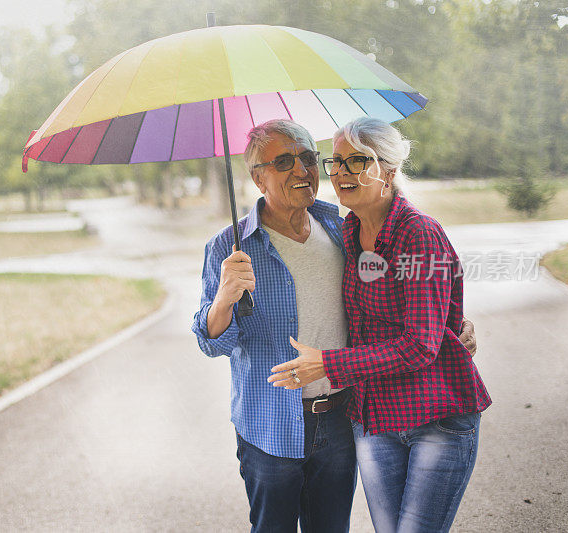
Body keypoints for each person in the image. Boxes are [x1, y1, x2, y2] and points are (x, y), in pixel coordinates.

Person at [192, 119, 477, 533]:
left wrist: (454, 326)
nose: (302, 170)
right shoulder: (229, 247)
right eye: (284, 161)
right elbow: (210, 343)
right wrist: (223, 299)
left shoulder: (340, 227)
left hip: (343, 418)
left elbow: (407, 301)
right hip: (269, 424)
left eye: (308, 157)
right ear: (258, 178)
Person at [268, 117, 491, 533]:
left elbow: (420, 346)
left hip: (435, 417)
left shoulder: (419, 234)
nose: (339, 173)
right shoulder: (346, 230)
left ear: (388, 171)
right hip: (374, 420)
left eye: (356, 162)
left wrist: (329, 365)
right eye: (335, 162)